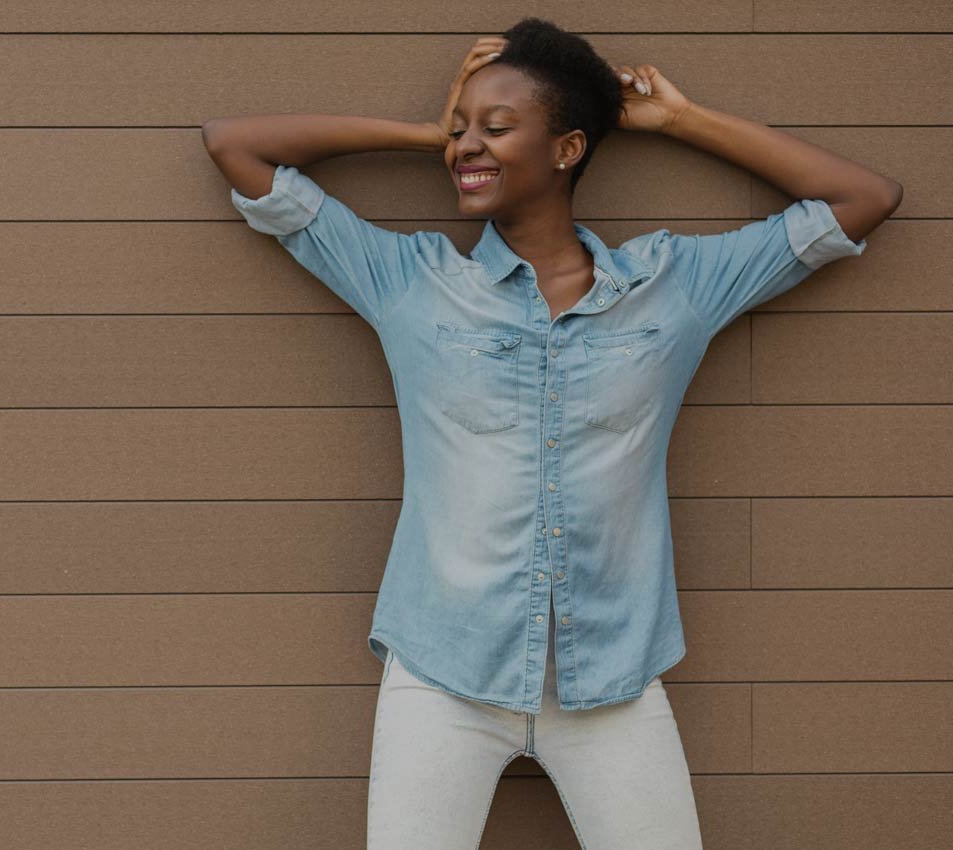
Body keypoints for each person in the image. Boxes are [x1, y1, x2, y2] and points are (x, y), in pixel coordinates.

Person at [202, 16, 902, 850]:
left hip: (611, 686)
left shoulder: (672, 287)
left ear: (567, 149)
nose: (469, 146)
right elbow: (236, 147)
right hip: (442, 678)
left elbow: (864, 200)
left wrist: (680, 120)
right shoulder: (411, 282)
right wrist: (428, 133)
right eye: (462, 128)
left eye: (496, 128)